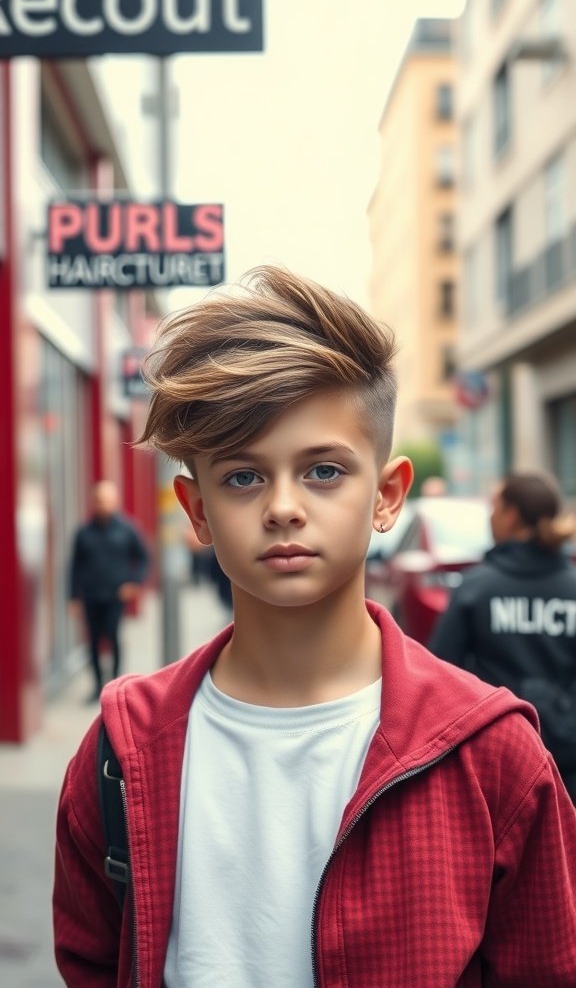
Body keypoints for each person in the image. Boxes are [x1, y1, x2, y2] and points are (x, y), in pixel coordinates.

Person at [54, 267, 576, 987]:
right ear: (196, 510)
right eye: (241, 476)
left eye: (324, 470)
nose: (284, 507)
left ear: (387, 495)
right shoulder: (121, 751)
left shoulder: (493, 759)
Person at [429, 470, 576, 800]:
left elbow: (441, 675)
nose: (490, 517)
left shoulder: (477, 588)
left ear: (511, 516)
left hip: (495, 763)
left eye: (495, 507)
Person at [68, 479, 150, 701]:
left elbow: (143, 557)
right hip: (91, 596)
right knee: (93, 642)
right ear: (93, 502)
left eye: (106, 500)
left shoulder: (127, 529)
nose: (102, 504)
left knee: (113, 638)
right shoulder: (83, 532)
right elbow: (74, 566)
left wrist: (134, 582)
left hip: (115, 596)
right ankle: (96, 686)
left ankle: (114, 685)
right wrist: (73, 597)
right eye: (99, 500)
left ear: (115, 502)